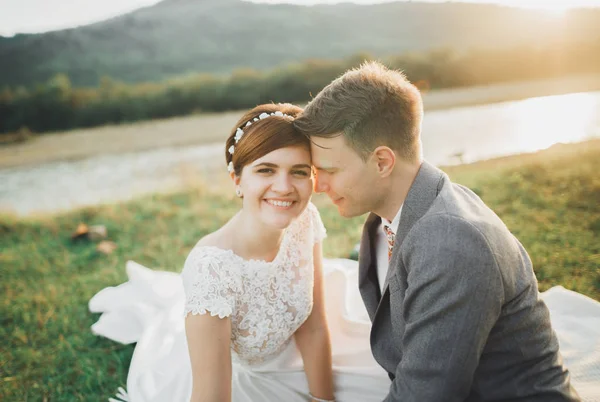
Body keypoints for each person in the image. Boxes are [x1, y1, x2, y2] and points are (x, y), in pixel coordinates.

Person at [292, 61, 582, 401]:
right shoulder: (386, 218)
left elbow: (425, 394)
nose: (318, 185)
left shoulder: (451, 241)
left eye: (329, 170)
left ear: (382, 162)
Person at [88, 103, 391, 402]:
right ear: (237, 180)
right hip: (243, 381)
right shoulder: (212, 269)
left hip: (303, 359)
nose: (284, 187)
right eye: (266, 170)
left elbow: (312, 328)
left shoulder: (305, 220)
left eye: (299, 172)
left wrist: (322, 399)